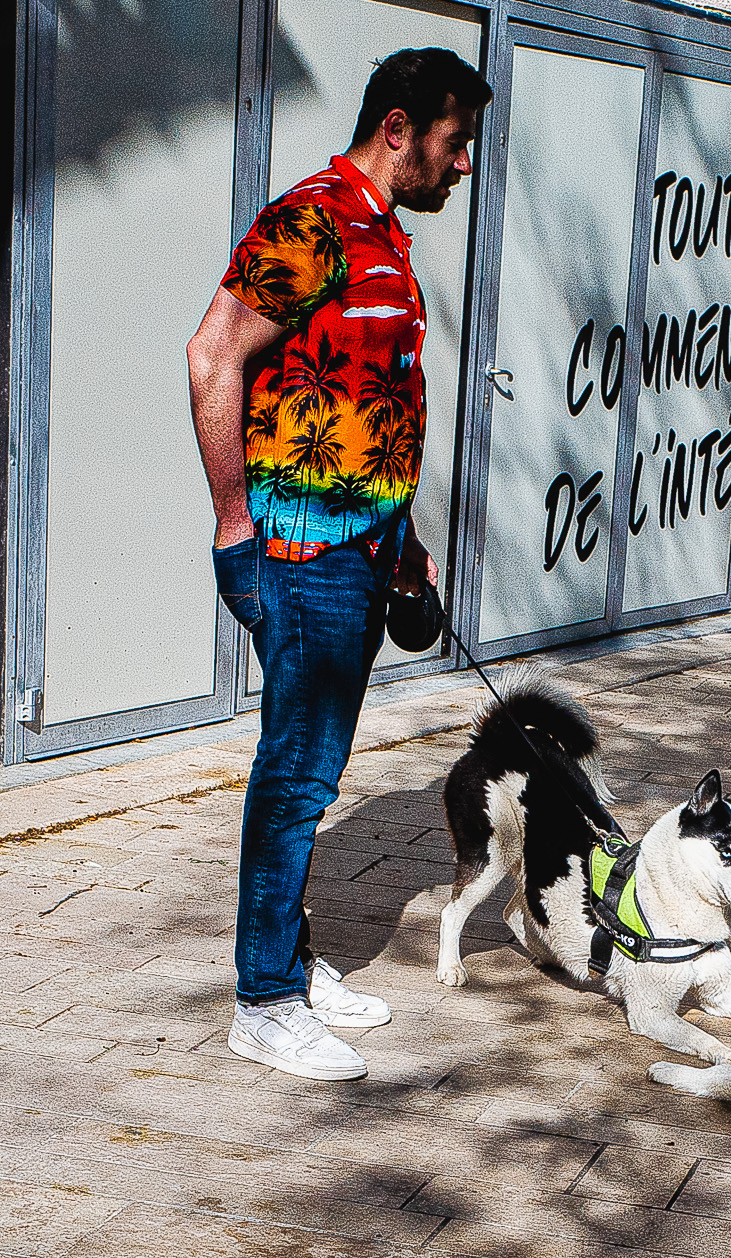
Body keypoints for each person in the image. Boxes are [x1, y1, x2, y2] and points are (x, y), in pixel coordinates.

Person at [188, 48, 492, 1081]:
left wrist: (402, 536)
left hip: (361, 553)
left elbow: (369, 404)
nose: (462, 168)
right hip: (300, 552)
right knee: (296, 778)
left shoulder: (380, 237)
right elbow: (211, 353)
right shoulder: (313, 220)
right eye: (454, 146)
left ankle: (291, 959)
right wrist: (235, 527)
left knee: (310, 776)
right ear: (398, 129)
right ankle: (263, 1000)